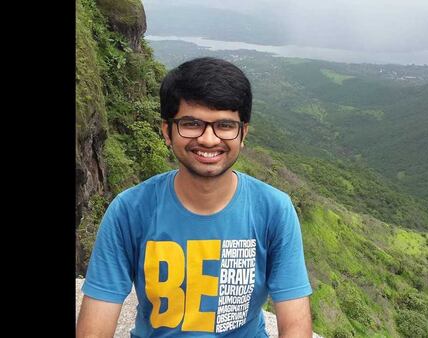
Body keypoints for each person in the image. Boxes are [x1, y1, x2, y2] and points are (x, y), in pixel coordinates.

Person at [77, 57, 313, 337]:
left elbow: (296, 324)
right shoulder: (130, 211)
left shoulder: (274, 210)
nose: (209, 139)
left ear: (243, 133)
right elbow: (95, 325)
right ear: (167, 131)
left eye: (225, 125)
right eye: (191, 124)